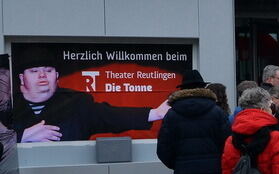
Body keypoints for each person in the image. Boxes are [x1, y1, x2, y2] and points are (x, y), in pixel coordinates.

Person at [12, 47, 170, 142]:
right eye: (34, 71)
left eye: (48, 70)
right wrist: (21, 137)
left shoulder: (76, 104)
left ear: (57, 76)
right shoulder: (9, 108)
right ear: (21, 78)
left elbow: (113, 116)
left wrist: (156, 113)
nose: (42, 76)